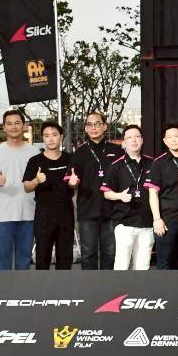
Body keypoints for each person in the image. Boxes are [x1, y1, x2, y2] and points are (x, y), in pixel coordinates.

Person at [0, 110, 38, 270]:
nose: (14, 127)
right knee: (2, 264)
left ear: (24, 126)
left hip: (28, 213)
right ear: (4, 127)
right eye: (9, 123)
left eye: (17, 123)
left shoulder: (34, 152)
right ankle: (1, 287)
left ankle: (21, 287)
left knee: (24, 262)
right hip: (2, 215)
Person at [22, 120, 78, 270]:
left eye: (54, 135)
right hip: (44, 214)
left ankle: (62, 285)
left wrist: (73, 183)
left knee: (65, 258)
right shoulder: (35, 161)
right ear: (43, 138)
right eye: (46, 136)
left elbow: (74, 184)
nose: (51, 139)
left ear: (61, 136)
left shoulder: (70, 159)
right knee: (42, 257)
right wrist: (36, 180)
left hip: (66, 213)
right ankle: (43, 286)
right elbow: (26, 187)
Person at [102, 124, 155, 270]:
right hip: (125, 223)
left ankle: (140, 287)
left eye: (137, 136)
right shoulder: (116, 165)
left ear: (142, 140)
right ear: (124, 142)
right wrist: (120, 196)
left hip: (147, 224)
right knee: (122, 266)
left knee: (143, 266)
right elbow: (106, 192)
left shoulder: (152, 163)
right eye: (129, 137)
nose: (134, 140)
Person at [74, 111, 121, 270]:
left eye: (97, 124)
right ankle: (90, 285)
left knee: (111, 253)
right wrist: (73, 182)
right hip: (88, 210)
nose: (93, 128)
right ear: (86, 128)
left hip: (112, 210)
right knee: (88, 254)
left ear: (105, 126)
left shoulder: (117, 150)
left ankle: (109, 284)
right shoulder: (80, 152)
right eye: (89, 124)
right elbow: (72, 180)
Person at [149, 122, 178, 270]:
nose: (173, 140)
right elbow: (153, 193)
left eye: (176, 136)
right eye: (169, 137)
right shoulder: (159, 163)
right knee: (164, 262)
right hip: (167, 219)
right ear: (165, 141)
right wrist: (157, 219)